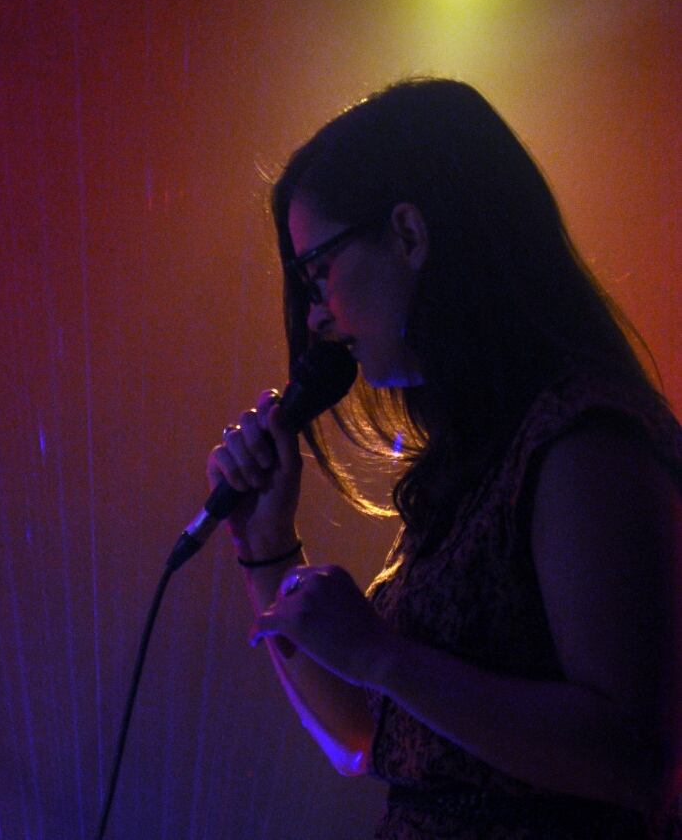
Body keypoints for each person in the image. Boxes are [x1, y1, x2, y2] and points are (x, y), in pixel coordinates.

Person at [206, 78, 682, 838]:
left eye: (319, 270)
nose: (318, 315)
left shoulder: (585, 440)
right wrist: (266, 548)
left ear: (409, 235)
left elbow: (630, 756)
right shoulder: (473, 458)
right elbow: (366, 735)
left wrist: (382, 653)